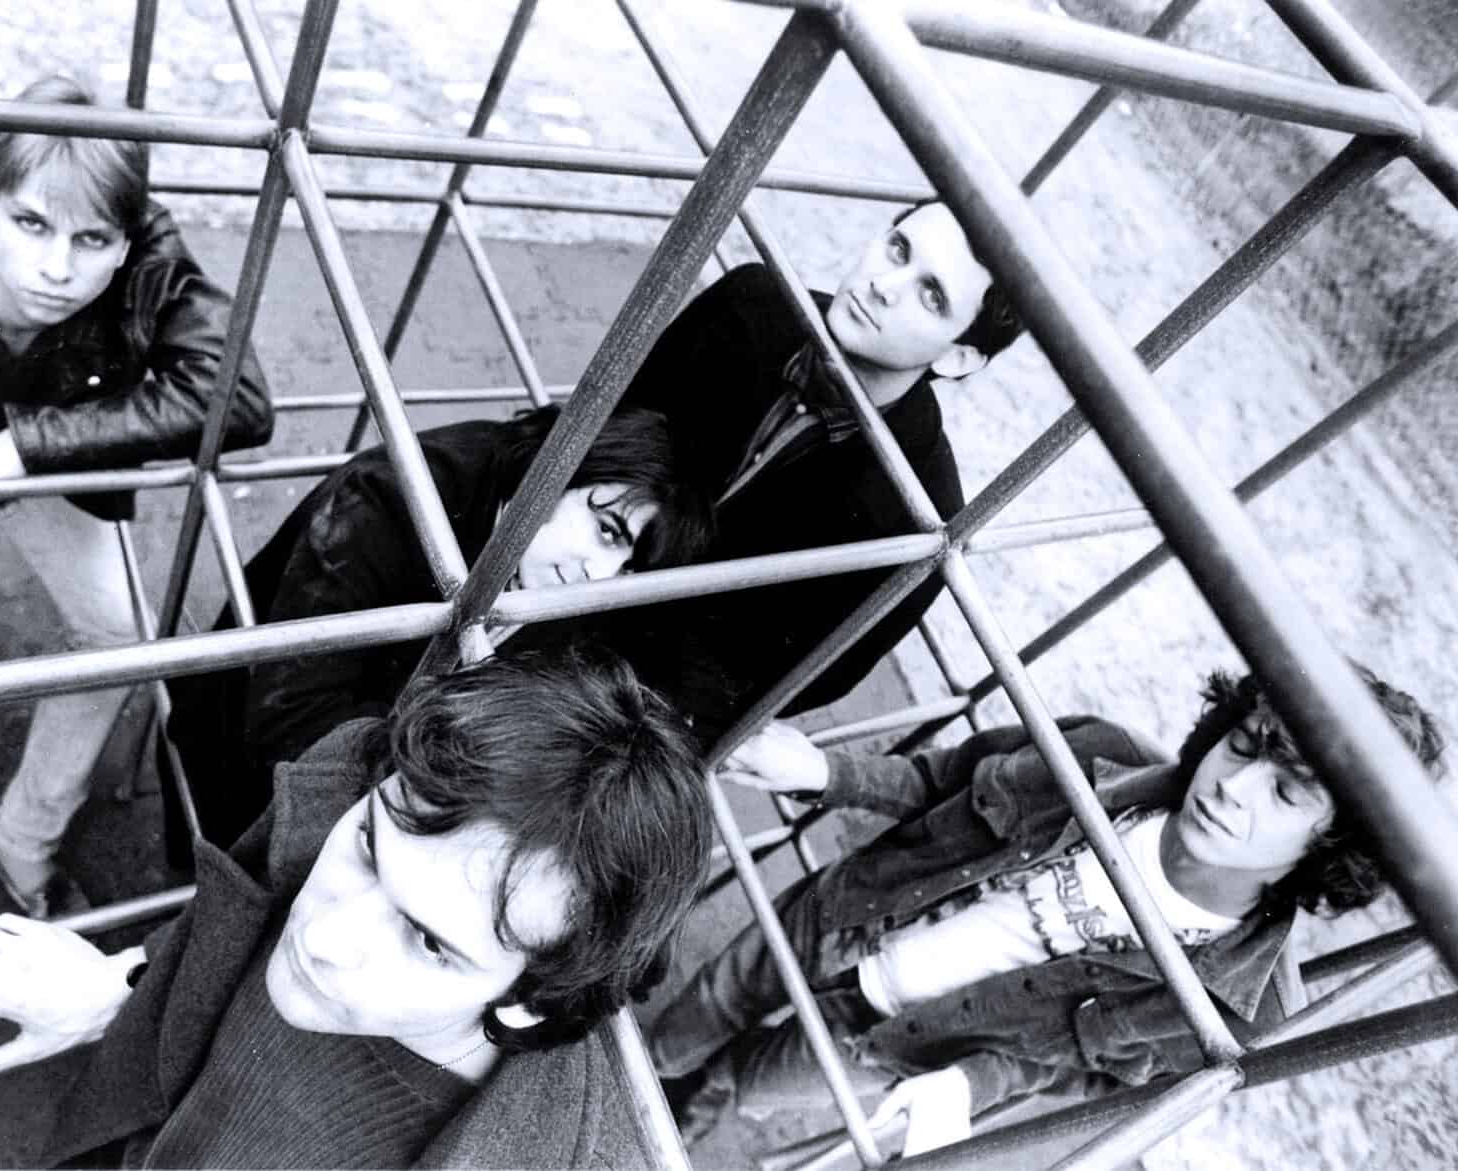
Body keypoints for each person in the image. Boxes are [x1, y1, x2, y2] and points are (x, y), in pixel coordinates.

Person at [0, 648, 713, 1168]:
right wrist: (124, 985)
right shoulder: (345, 786)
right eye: (368, 849)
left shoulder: (540, 1151)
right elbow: (229, 927)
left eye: (429, 942)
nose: (322, 935)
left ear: (533, 1007)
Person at [650, 665, 1444, 1154]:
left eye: (1286, 791)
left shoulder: (1235, 1009)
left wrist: (971, 1085)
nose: (1232, 788)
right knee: (711, 1002)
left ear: (1332, 842)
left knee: (753, 1083)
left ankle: (669, 1123)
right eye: (1243, 744)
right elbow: (944, 778)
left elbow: (1084, 1074)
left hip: (898, 1043)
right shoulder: (1099, 751)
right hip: (849, 915)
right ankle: (642, 1067)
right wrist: (827, 771)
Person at [0, 75, 272, 952]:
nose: (57, 268)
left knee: (123, 633)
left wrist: (33, 443)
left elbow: (240, 397)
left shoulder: (148, 262)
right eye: (31, 225)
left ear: (124, 241)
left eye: (90, 239)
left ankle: (21, 840)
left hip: (43, 442)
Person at [512, 200, 1024, 743]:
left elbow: (818, 673)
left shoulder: (921, 513)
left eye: (931, 295)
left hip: (630, 693)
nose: (884, 286)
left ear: (958, 359)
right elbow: (609, 430)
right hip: (560, 562)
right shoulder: (752, 302)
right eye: (897, 248)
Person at [164, 403, 711, 849]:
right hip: (247, 761)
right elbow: (290, 715)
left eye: (630, 568)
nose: (601, 574)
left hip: (388, 778)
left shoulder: (560, 564)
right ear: (560, 470)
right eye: (608, 531)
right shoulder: (394, 497)